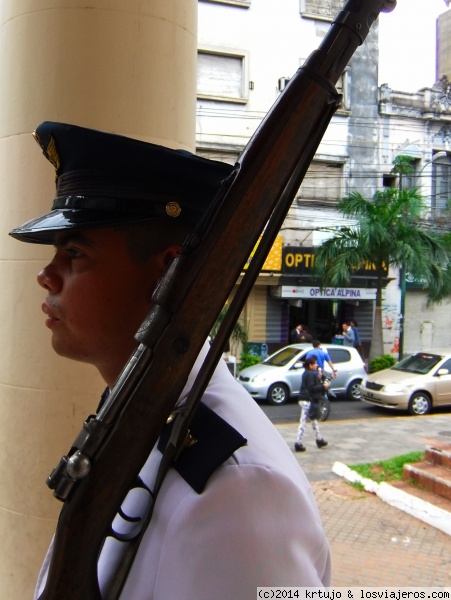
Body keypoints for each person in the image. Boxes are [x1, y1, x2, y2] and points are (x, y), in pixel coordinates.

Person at [10, 122, 331, 599]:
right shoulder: (138, 413)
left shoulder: (235, 495)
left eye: (74, 252)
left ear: (170, 272)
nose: (46, 275)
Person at [294, 357, 329, 453]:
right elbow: (312, 388)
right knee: (303, 422)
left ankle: (319, 439)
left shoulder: (307, 373)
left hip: (305, 399)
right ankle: (298, 442)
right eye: (315, 364)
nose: (317, 365)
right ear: (310, 365)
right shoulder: (309, 374)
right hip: (307, 400)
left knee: (314, 419)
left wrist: (318, 377)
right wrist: (323, 386)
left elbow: (311, 385)